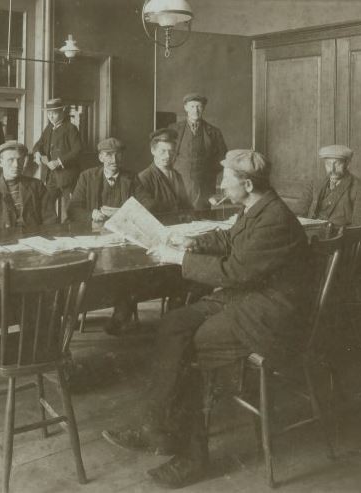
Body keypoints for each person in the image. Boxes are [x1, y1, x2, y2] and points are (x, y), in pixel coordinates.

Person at [102, 150, 311, 488]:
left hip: (269, 313)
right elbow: (230, 238)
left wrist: (179, 258)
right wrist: (191, 242)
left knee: (189, 345)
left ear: (247, 184)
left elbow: (235, 271)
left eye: (226, 180)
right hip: (247, 298)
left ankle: (192, 457)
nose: (222, 186)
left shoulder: (274, 219)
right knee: (173, 324)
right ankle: (159, 428)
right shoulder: (258, 207)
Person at [67, 137, 152, 334]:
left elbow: (149, 203)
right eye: (108, 155)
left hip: (122, 238)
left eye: (117, 155)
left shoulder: (131, 178)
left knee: (128, 270)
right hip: (94, 238)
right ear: (100, 157)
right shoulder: (87, 177)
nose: (114, 160)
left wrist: (124, 212)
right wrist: (91, 214)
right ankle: (77, 311)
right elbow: (73, 208)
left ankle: (121, 315)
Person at [0, 141, 57, 228]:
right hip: (2, 236)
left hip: (35, 235)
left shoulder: (37, 186)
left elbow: (50, 220)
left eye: (20, 160)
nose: (16, 165)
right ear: (0, 162)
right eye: (10, 160)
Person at [169, 93, 227, 210]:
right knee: (179, 215)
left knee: (202, 215)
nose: (195, 110)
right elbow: (167, 154)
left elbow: (223, 157)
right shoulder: (173, 129)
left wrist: (208, 172)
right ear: (186, 108)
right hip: (179, 183)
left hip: (204, 186)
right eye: (192, 106)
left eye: (199, 106)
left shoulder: (214, 132)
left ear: (203, 108)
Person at [295, 144, 361, 227]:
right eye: (328, 164)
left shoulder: (360, 189)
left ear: (347, 164)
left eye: (337, 164)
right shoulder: (314, 184)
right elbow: (298, 213)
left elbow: (359, 225)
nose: (332, 169)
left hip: (339, 234)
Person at [32, 98, 83, 211]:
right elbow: (38, 144)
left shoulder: (71, 128)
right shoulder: (49, 128)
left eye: (54, 113)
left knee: (71, 208)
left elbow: (78, 150)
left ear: (61, 112)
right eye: (49, 113)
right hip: (50, 176)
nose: (51, 116)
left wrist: (59, 162)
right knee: (45, 206)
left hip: (68, 176)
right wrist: (37, 153)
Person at [138, 128, 193, 217]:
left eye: (171, 151)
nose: (167, 156)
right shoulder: (144, 178)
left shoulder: (177, 175)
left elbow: (186, 206)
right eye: (163, 151)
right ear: (153, 151)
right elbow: (145, 213)